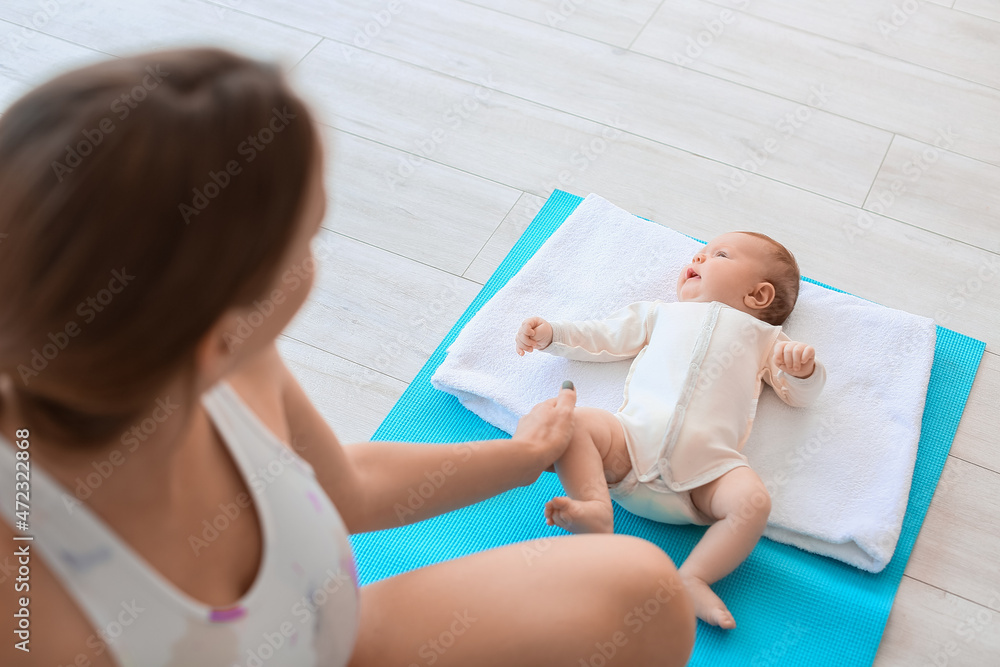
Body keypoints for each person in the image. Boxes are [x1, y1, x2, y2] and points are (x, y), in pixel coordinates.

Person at [0, 48, 695, 666]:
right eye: (307, 240)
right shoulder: (30, 602)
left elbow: (343, 485)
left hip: (329, 638)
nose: (312, 258)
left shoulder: (230, 361)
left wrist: (520, 458)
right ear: (216, 337)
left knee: (642, 592)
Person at [516, 231, 827, 630]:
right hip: (627, 446)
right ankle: (594, 506)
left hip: (707, 477)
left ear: (758, 296)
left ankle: (694, 576)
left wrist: (803, 372)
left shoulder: (767, 340)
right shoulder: (661, 313)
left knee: (752, 501)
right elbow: (603, 337)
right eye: (700, 252)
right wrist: (553, 335)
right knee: (578, 422)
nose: (697, 257)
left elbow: (798, 396)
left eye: (719, 254)